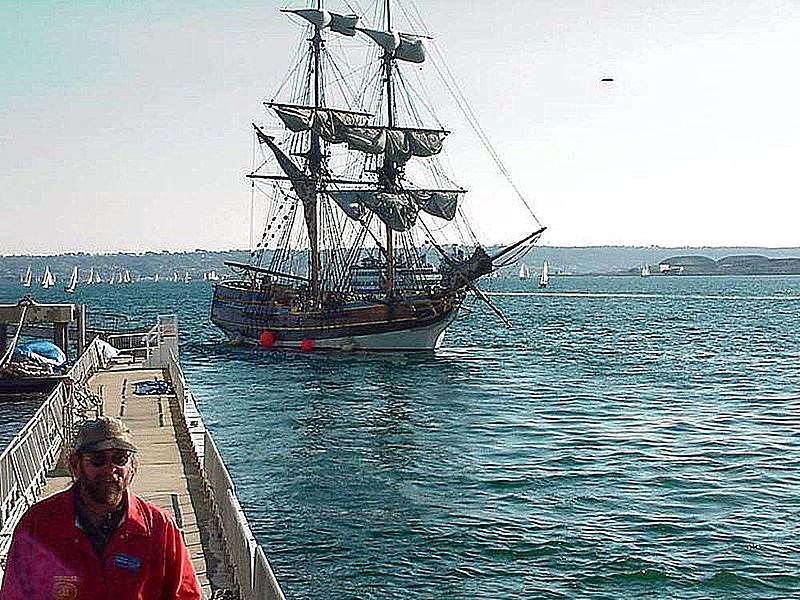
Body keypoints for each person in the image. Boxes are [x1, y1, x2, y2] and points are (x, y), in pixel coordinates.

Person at [0, 416, 201, 600]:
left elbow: (185, 595)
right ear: (75, 465)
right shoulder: (37, 525)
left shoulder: (159, 527)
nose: (110, 469)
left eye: (120, 458)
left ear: (133, 465)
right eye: (97, 459)